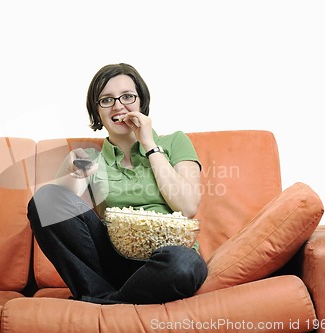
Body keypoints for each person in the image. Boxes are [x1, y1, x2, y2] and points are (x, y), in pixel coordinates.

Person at [27, 63, 207, 304]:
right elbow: (51, 210)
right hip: (112, 261)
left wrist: (148, 144)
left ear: (141, 102)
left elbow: (188, 207)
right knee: (45, 199)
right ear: (97, 111)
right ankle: (109, 297)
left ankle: (106, 302)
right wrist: (73, 173)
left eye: (127, 96)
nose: (118, 106)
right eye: (106, 100)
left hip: (166, 260)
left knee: (183, 264)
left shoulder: (174, 142)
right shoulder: (89, 159)